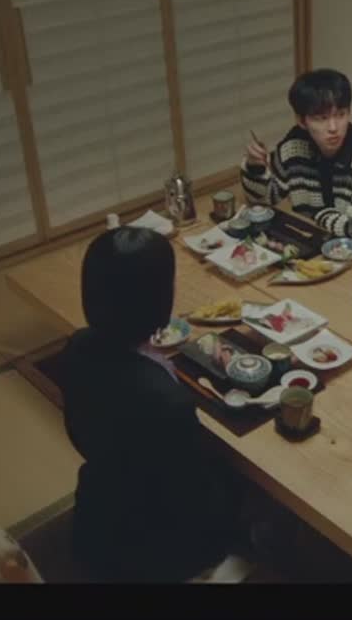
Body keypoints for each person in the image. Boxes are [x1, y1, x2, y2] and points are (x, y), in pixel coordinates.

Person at [55, 226, 244, 582]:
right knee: (252, 493)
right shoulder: (165, 402)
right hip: (152, 553)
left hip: (97, 517)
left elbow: (79, 431)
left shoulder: (77, 346)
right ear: (159, 300)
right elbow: (195, 497)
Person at [241, 68, 352, 259]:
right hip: (317, 245)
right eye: (321, 118)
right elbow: (262, 201)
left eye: (341, 114)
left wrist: (320, 216)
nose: (333, 128)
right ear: (302, 121)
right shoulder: (295, 144)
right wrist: (255, 167)